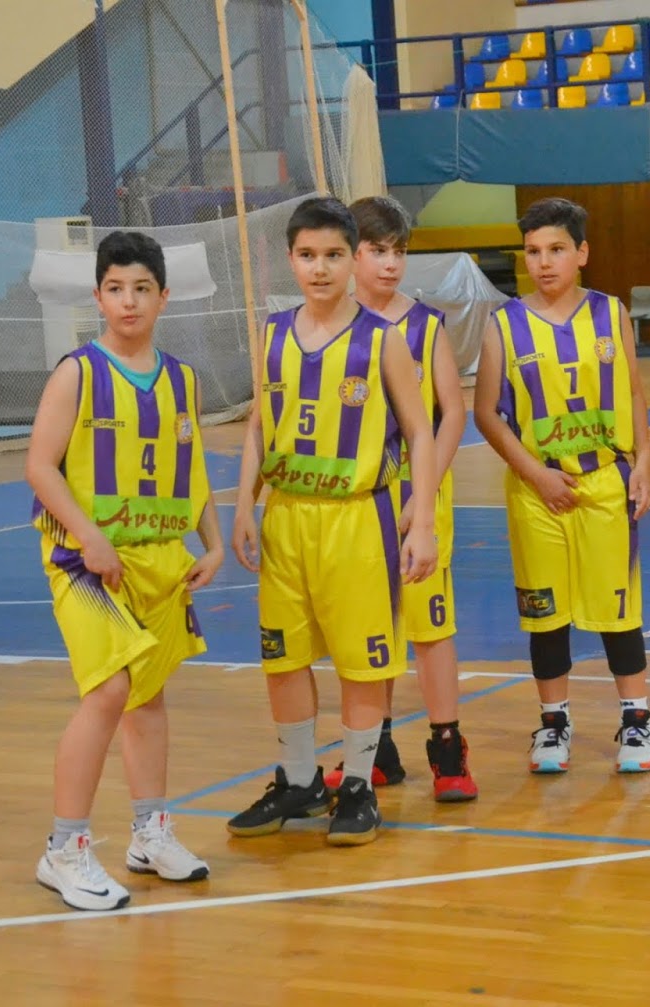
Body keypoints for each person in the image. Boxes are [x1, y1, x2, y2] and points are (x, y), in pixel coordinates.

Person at [227, 197, 439, 846]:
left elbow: (420, 432)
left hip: (357, 517)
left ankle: (358, 785)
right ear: (290, 259)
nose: (319, 268)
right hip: (286, 515)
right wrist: (243, 504)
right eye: (307, 255)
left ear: (353, 260)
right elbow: (260, 425)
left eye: (333, 255)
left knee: (361, 659)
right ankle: (299, 780)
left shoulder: (382, 339)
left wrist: (422, 520)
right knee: (283, 655)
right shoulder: (272, 335)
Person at [25, 232, 222, 910]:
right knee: (110, 690)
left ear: (163, 296)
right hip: (84, 560)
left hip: (158, 556)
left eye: (141, 289)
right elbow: (40, 466)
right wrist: (89, 537)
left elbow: (192, 469)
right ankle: (64, 847)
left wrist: (212, 542)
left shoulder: (182, 379)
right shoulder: (77, 373)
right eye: (115, 289)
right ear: (98, 297)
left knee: (148, 693)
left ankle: (149, 833)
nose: (128, 301)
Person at [472, 197, 650, 774]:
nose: (544, 262)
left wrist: (644, 461)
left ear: (582, 253)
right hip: (538, 489)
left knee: (618, 608)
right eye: (533, 251)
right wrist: (536, 475)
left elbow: (633, 392)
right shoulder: (504, 324)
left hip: (605, 481)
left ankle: (636, 719)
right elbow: (486, 413)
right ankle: (554, 724)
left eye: (556, 249)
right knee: (545, 612)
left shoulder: (611, 313)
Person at [327, 194, 476, 802]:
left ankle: (448, 747)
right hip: (360, 504)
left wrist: (425, 492)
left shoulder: (425, 325)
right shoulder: (333, 327)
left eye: (399, 252)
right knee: (370, 626)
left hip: (418, 498)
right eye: (377, 251)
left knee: (430, 626)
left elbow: (452, 413)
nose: (390, 264)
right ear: (352, 255)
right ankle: (375, 750)